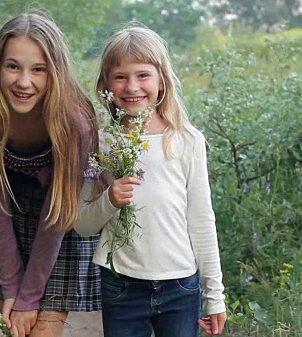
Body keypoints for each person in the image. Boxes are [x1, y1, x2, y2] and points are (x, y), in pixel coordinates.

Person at [75, 25, 227, 337]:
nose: (132, 86)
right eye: (120, 77)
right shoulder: (100, 142)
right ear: (105, 84)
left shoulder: (185, 140)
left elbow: (201, 218)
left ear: (161, 81)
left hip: (180, 284)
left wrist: (215, 296)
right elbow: (82, 224)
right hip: (121, 283)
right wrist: (110, 200)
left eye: (143, 75)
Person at [0, 11, 101, 337]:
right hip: (8, 216)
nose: (24, 82)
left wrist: (29, 297)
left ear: (56, 72)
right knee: (19, 331)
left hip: (60, 221)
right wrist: (12, 290)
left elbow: (58, 215)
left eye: (39, 70)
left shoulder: (74, 120)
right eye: (13, 66)